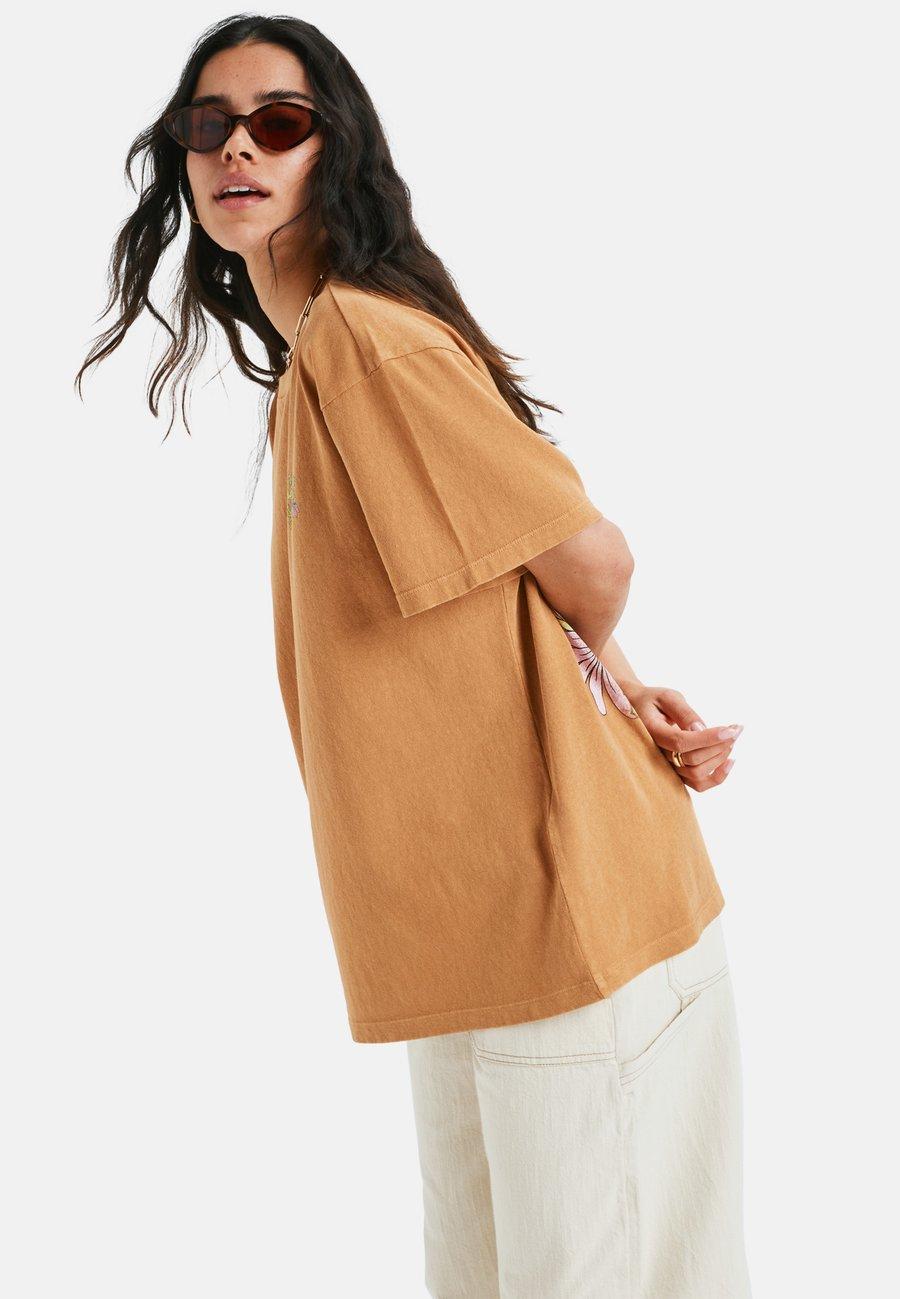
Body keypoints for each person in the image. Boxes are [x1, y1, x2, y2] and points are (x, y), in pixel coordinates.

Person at [76, 14, 752, 1297]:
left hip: (565, 914)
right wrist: (622, 686)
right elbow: (519, 575)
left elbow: (595, 562)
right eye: (208, 125)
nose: (237, 149)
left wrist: (607, 681)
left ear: (333, 149)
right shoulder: (324, 358)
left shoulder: (363, 341)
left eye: (278, 122)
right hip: (473, 927)